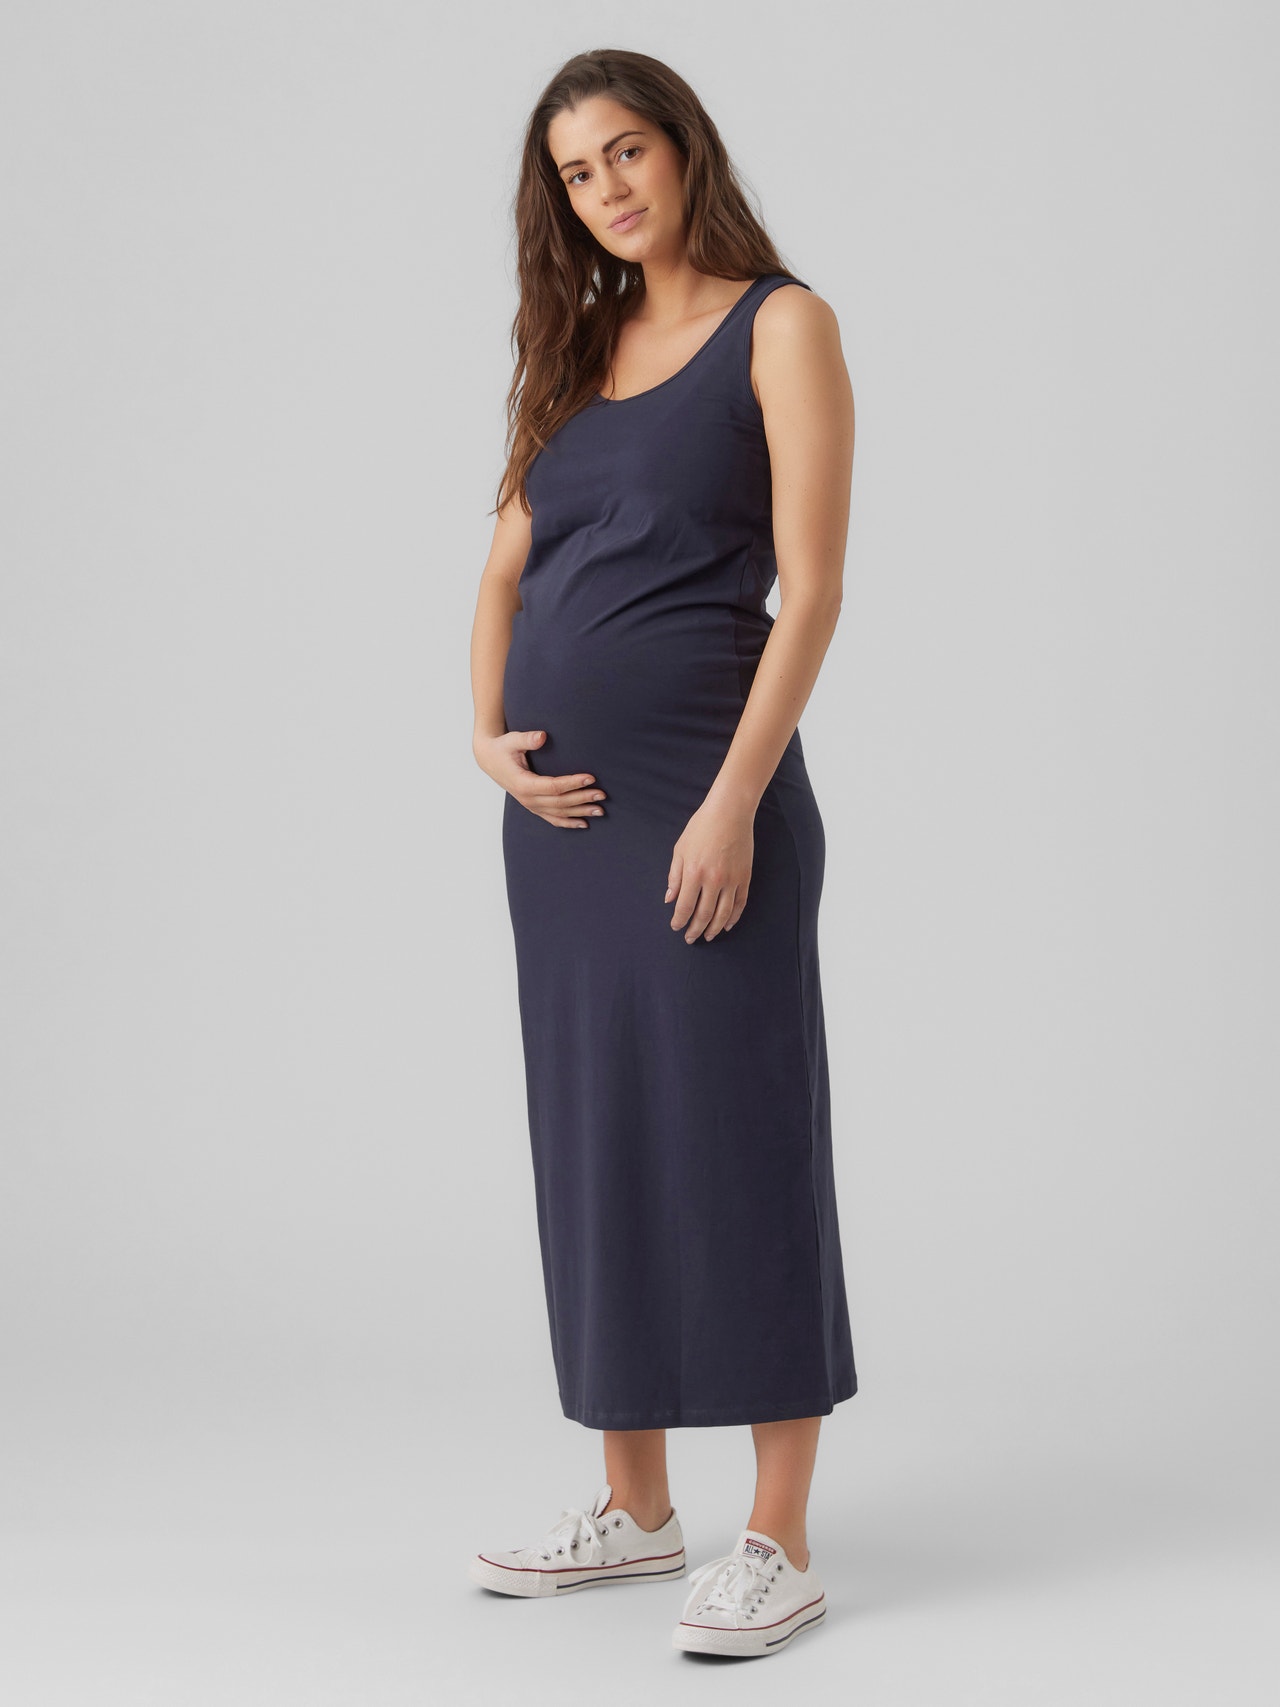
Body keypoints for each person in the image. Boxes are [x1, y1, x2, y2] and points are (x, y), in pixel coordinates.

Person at [466, 48, 858, 1659]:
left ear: (683, 148)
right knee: (601, 1141)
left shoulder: (782, 324)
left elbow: (813, 587)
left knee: (739, 1137)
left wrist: (732, 801)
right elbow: (503, 568)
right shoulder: (575, 350)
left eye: (626, 151)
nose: (607, 188)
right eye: (577, 172)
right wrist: (483, 732)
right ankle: (636, 1510)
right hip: (563, 837)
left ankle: (780, 1535)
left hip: (711, 803)